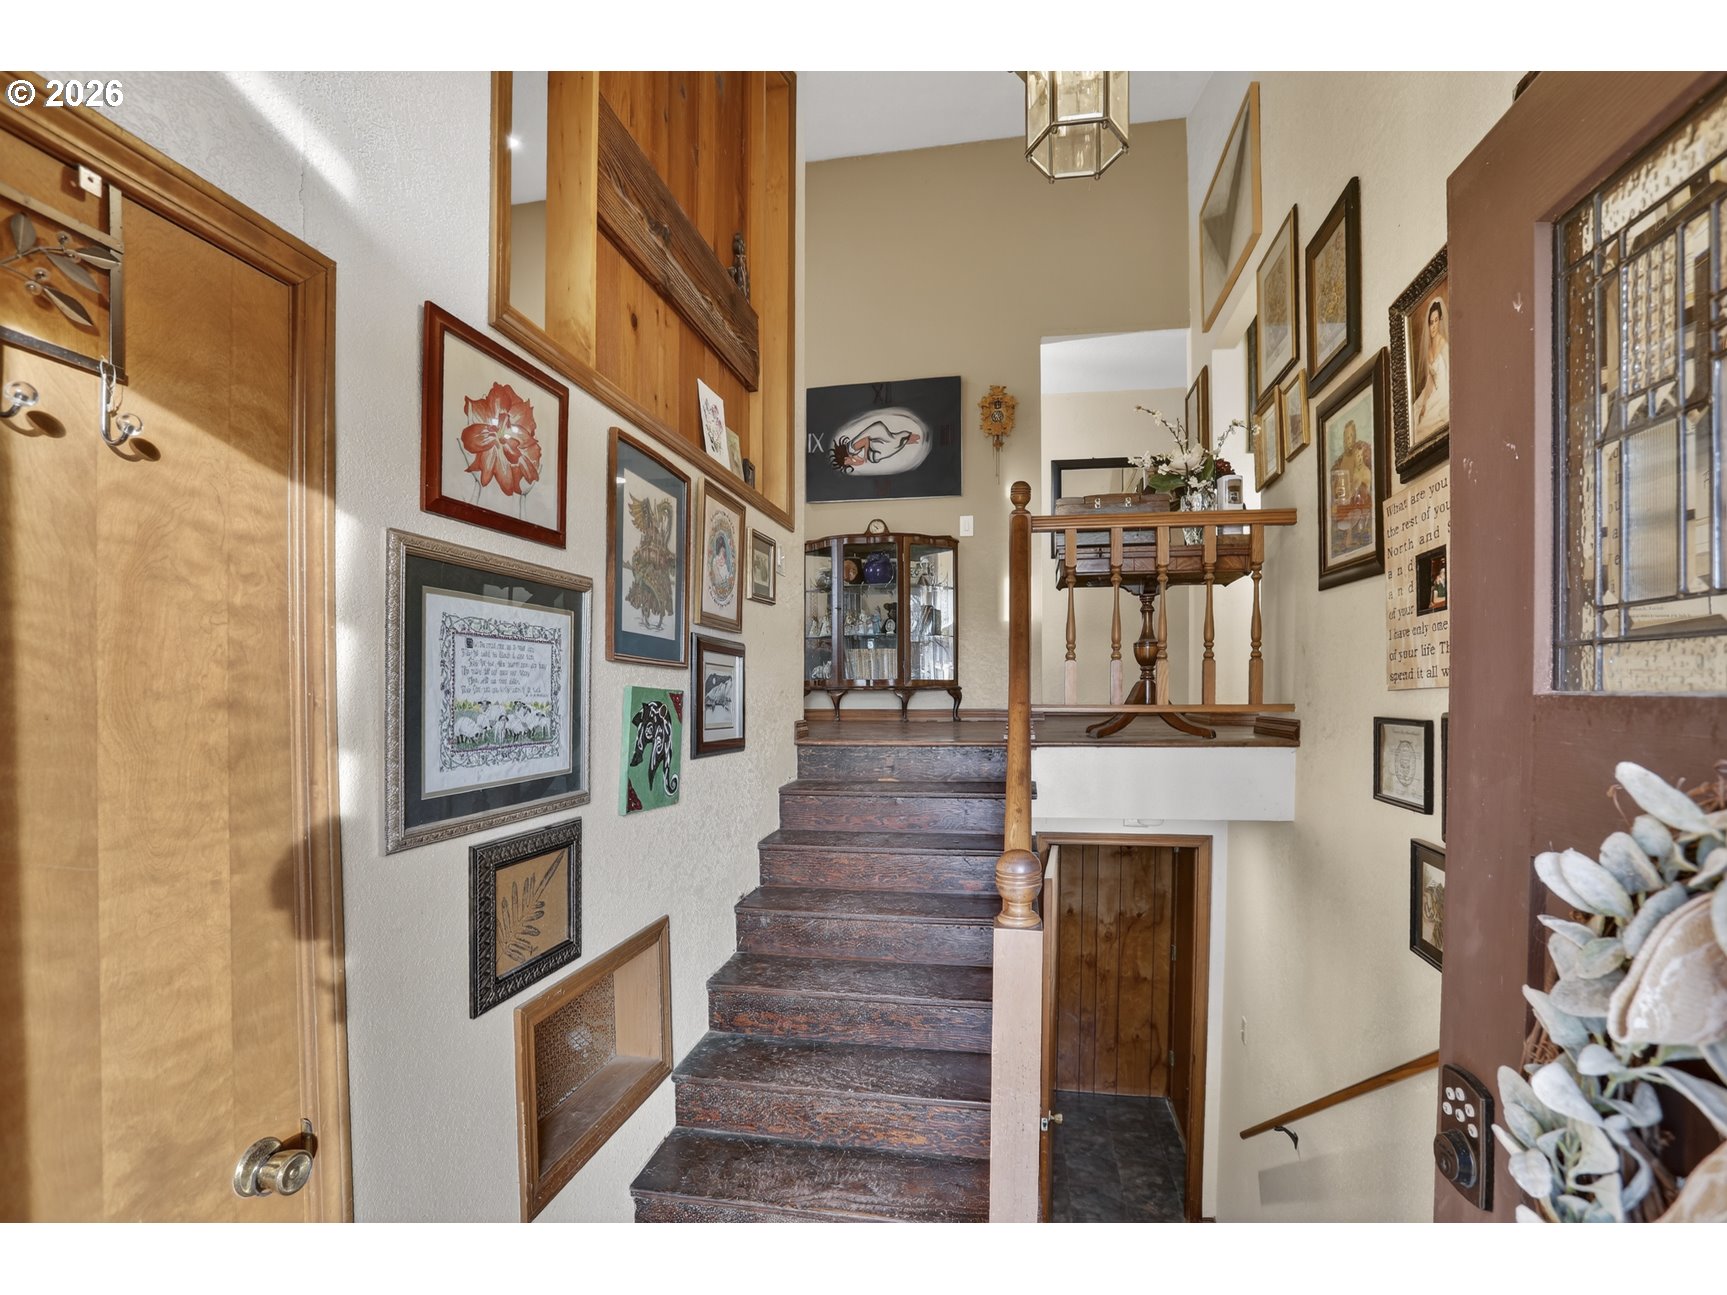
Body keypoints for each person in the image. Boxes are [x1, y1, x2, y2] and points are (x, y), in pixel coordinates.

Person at [1412, 296, 1450, 440]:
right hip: (1434, 389)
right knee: (1418, 413)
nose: (1433, 326)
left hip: (1445, 388)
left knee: (1429, 422)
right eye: (1430, 322)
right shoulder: (1428, 349)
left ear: (1440, 322)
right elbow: (1430, 380)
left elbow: (1449, 376)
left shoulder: (1444, 344)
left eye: (1435, 321)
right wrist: (1424, 403)